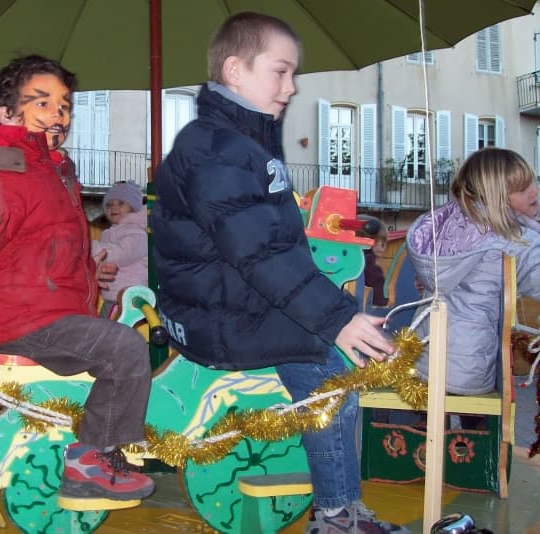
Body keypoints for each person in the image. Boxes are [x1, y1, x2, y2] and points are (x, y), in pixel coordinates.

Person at [149, 12, 408, 533]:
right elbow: (259, 251)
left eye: (294, 75)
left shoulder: (240, 140)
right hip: (220, 315)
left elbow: (266, 242)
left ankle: (342, 505)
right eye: (280, 72)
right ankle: (336, 517)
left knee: (348, 344)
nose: (291, 88)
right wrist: (336, 317)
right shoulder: (218, 148)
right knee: (330, 377)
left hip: (234, 298)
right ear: (235, 71)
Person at [0, 55, 154, 501]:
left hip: (50, 309)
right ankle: (92, 457)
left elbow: (42, 242)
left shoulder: (54, 169)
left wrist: (91, 268)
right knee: (125, 348)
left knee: (121, 341)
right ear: (5, 113)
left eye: (64, 105)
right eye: (42, 103)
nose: (58, 114)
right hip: (22, 315)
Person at [408, 147, 540, 399]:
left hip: (426, 352)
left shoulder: (452, 226)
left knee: (434, 426)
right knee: (477, 431)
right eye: (523, 189)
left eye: (532, 183)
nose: (534, 191)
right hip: (470, 360)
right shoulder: (510, 240)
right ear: (497, 197)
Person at [91, 181, 148, 318]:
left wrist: (89, 247)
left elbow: (120, 254)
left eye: (121, 203)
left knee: (110, 334)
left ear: (133, 207)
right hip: (113, 297)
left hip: (130, 299)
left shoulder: (137, 232)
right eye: (109, 204)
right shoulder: (110, 232)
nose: (113, 208)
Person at [357, 214, 389, 306]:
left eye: (383, 244)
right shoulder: (369, 261)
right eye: (375, 242)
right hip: (372, 306)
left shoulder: (366, 260)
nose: (380, 248)